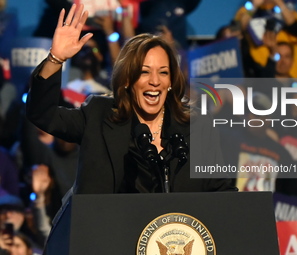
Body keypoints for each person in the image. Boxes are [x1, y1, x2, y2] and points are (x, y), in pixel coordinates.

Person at [26, 4, 235, 195]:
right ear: (127, 79)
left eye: (163, 73)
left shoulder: (198, 128)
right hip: (108, 232)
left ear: (171, 81)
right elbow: (43, 114)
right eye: (144, 72)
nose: (155, 81)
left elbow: (223, 192)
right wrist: (56, 58)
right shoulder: (98, 116)